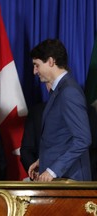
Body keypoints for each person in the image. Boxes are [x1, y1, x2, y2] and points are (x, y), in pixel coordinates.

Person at [28, 39, 92, 182]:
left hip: (71, 180)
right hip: (62, 179)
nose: (34, 71)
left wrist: (53, 170)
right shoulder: (59, 90)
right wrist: (42, 160)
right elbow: (61, 137)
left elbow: (83, 139)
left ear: (50, 61)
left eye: (36, 65)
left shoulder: (69, 91)